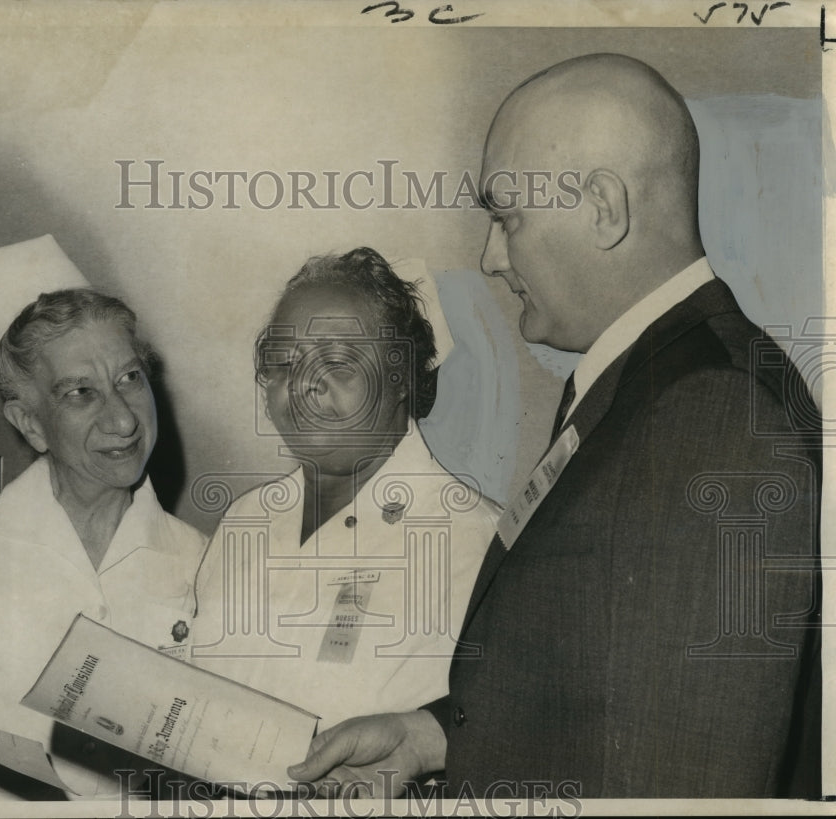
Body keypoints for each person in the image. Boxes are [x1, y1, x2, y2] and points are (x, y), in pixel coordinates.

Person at [288, 54, 821, 799]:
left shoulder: (710, 408)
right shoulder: (644, 382)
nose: (490, 257)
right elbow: (612, 690)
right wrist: (427, 737)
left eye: (508, 218)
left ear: (603, 207)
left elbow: (687, 778)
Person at [0, 235, 207, 800]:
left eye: (129, 378)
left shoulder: (200, 558)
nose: (124, 420)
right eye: (81, 392)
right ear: (30, 423)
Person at [189, 247, 501, 735]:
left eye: (336, 361)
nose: (303, 385)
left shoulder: (472, 542)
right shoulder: (246, 520)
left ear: (401, 377)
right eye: (283, 363)